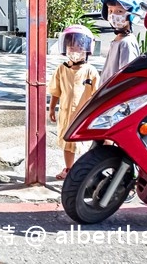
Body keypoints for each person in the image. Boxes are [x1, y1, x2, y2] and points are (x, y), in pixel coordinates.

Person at [48, 25, 100, 181]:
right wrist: (51, 108)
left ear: (87, 49)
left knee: (82, 144)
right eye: (71, 47)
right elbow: (55, 91)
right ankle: (69, 169)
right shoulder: (61, 70)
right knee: (67, 143)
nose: (74, 51)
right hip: (65, 114)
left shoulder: (91, 71)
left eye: (79, 47)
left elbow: (97, 95)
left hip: (83, 115)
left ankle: (83, 171)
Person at [100, 0, 143, 83]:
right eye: (110, 10)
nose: (113, 15)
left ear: (132, 15)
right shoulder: (119, 39)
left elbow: (126, 79)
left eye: (119, 11)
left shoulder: (126, 43)